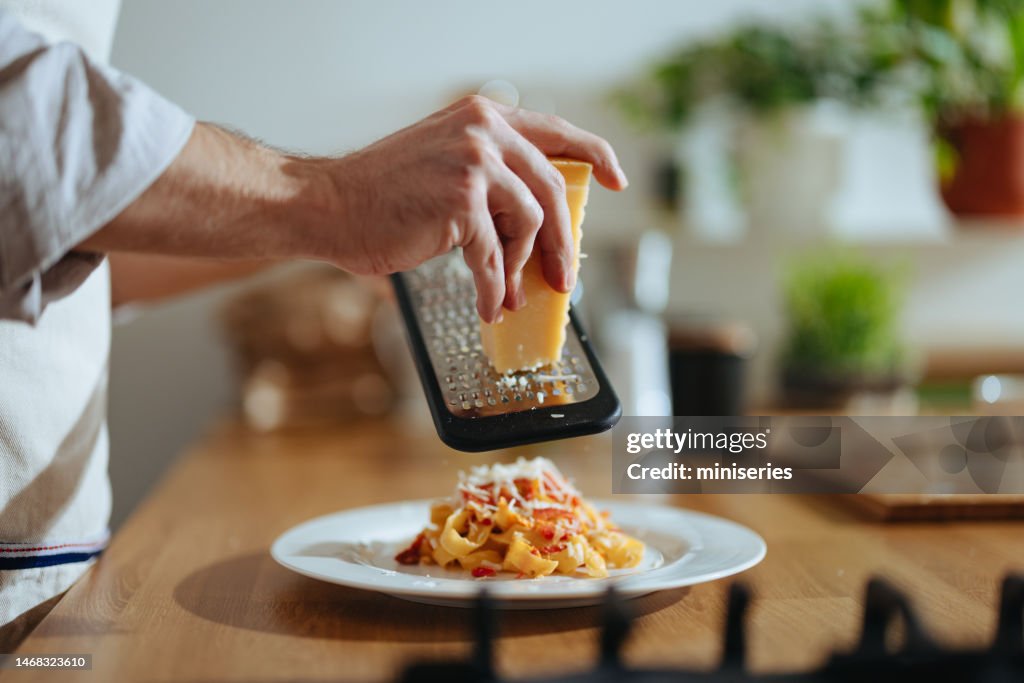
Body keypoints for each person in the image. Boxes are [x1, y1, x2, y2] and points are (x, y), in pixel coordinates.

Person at [0, 3, 627, 646]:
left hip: (62, 580)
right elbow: (20, 124)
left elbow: (63, 248)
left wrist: (326, 231)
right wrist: (335, 199)